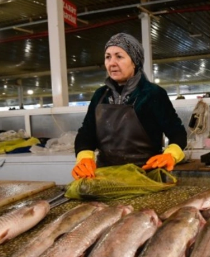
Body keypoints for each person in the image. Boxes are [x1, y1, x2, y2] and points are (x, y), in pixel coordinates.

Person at [72, 33, 187, 180]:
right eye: (108, 57)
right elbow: (86, 133)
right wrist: (84, 157)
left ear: (135, 61)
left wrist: (171, 155)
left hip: (146, 177)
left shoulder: (152, 94)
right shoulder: (100, 95)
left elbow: (177, 132)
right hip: (106, 178)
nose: (112, 63)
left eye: (119, 56)